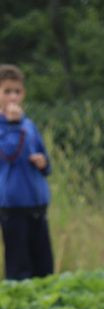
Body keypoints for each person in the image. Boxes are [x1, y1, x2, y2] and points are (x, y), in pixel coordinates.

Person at [0, 65, 54, 281]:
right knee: (19, 266)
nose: (13, 97)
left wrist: (43, 163)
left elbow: (44, 159)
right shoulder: (7, 126)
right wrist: (13, 125)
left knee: (43, 264)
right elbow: (9, 154)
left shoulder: (29, 125)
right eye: (7, 91)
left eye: (17, 91)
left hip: (36, 202)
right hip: (12, 206)